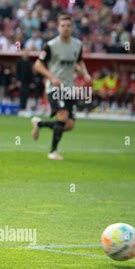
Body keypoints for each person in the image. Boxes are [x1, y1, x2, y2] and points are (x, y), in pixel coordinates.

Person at [31, 14, 91, 160]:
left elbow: (79, 61)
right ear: (58, 27)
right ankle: (53, 152)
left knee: (69, 125)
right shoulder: (51, 45)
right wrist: (52, 77)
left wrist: (86, 74)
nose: (65, 28)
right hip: (54, 87)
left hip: (70, 87)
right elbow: (38, 65)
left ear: (72, 27)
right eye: (63, 25)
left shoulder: (77, 44)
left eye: (68, 26)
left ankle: (39, 123)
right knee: (63, 116)